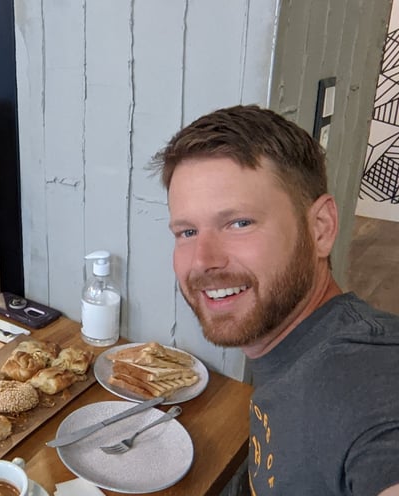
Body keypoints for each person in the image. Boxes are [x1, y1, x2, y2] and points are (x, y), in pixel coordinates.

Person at [152, 105, 399, 495]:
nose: (203, 261)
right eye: (186, 232)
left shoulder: (367, 380)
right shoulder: (284, 350)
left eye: (239, 223)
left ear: (321, 228)